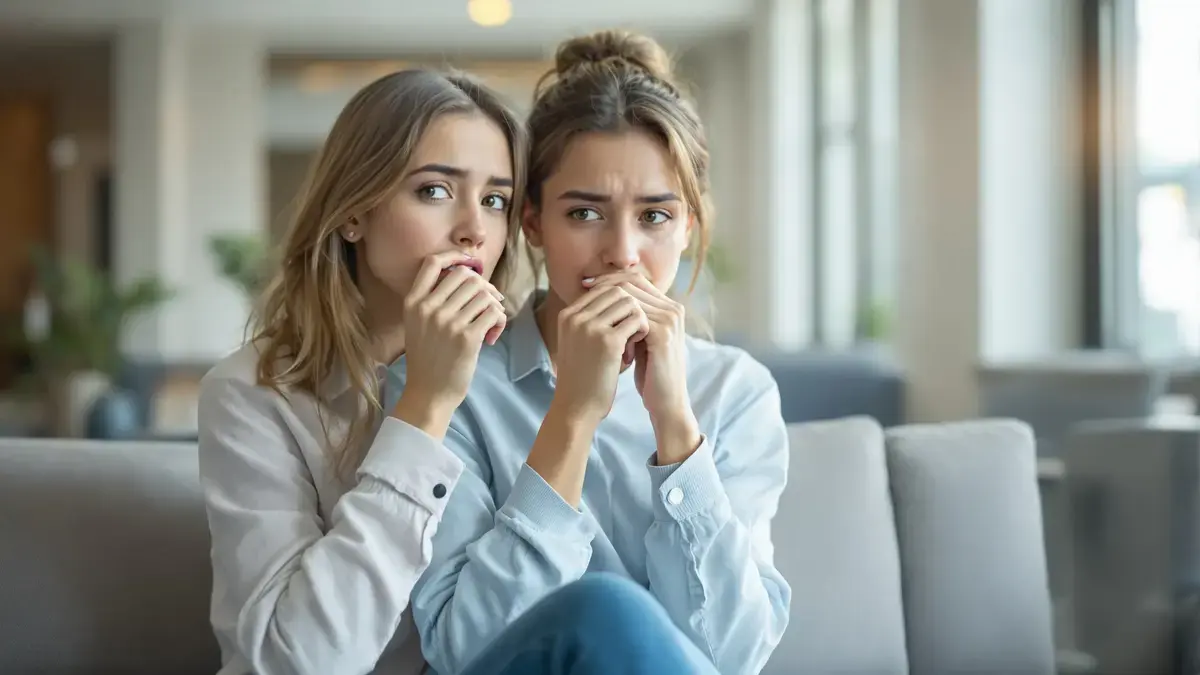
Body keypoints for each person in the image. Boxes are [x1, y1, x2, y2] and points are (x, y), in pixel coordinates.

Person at [198, 67, 716, 675]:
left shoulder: (515, 379)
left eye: (494, 200)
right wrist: (424, 408)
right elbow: (296, 662)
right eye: (436, 191)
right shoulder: (252, 395)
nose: (473, 230)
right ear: (353, 211)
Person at [412, 30, 791, 675]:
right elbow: (464, 649)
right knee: (605, 607)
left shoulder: (735, 391)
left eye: (655, 217)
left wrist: (675, 426)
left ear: (688, 226)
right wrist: (573, 414)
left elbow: (734, 654)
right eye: (585, 214)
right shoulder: (449, 380)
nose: (622, 253)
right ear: (533, 222)